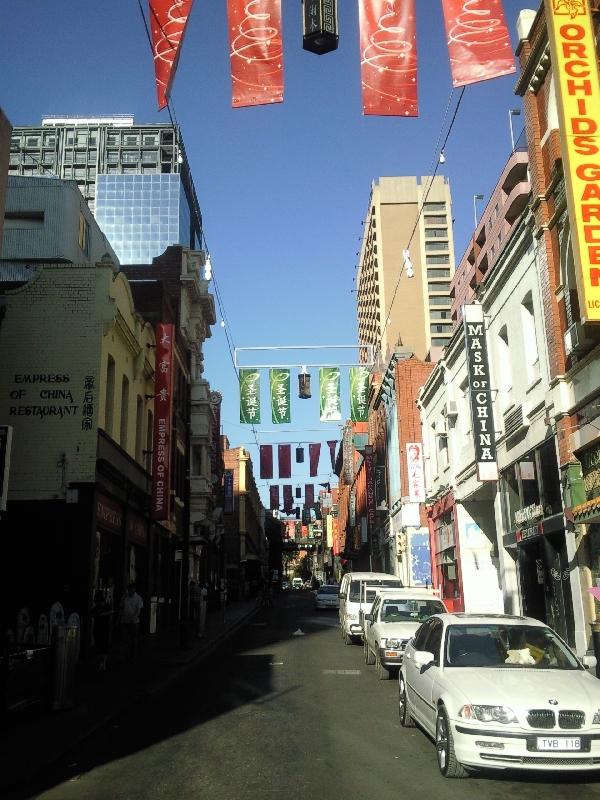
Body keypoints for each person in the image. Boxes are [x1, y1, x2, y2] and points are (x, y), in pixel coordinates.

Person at [120, 583, 143, 660]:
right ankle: (125, 654)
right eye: (129, 589)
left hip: (134, 622)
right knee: (125, 638)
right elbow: (121, 607)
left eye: (131, 589)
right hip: (125, 620)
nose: (129, 591)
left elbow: (138, 610)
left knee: (133, 638)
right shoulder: (125, 597)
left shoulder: (138, 598)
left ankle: (133, 655)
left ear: (134, 589)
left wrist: (133, 618)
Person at [92, 590, 112, 671]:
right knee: (103, 646)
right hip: (103, 628)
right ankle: (103, 663)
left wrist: (100, 615)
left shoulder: (98, 607)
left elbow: (92, 614)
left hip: (100, 628)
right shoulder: (105, 606)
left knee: (100, 645)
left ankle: (102, 663)